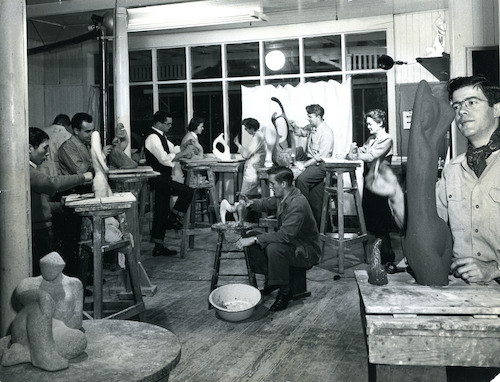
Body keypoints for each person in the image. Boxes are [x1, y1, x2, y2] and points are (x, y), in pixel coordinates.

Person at [366, 76, 500, 284]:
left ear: (497, 109)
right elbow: (423, 224)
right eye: (457, 105)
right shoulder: (452, 170)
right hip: (457, 285)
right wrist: (395, 194)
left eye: (472, 102)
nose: (462, 111)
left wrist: (494, 269)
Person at [236, 167, 321, 311]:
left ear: (283, 184)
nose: (270, 187)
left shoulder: (297, 203)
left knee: (273, 247)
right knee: (252, 236)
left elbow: (284, 235)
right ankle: (273, 280)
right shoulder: (284, 196)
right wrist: (251, 203)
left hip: (306, 251)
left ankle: (285, 292)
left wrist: (256, 238)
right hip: (294, 244)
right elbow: (266, 203)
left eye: (272, 184)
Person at [29, 127, 92, 276]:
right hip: (39, 232)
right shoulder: (28, 171)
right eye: (44, 148)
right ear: (30, 148)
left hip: (42, 228)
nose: (47, 154)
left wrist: (58, 206)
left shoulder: (32, 169)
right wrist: (82, 178)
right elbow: (51, 183)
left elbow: (35, 204)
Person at [144, 111, 195, 257]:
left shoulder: (162, 137)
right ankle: (173, 220)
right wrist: (183, 153)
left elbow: (174, 149)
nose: (170, 126)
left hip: (163, 177)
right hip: (158, 178)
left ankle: (158, 247)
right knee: (187, 191)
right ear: (159, 123)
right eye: (168, 124)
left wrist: (185, 148)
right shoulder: (153, 137)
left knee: (161, 210)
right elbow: (165, 159)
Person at [347, 109, 395, 264]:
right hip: (370, 181)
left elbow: (371, 156)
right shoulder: (371, 138)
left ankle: (388, 256)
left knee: (381, 218)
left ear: (380, 123)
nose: (368, 126)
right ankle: (375, 255)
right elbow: (363, 150)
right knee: (370, 216)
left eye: (370, 123)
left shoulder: (386, 139)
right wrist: (355, 150)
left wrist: (357, 154)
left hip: (380, 183)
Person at [290, 104, 334, 226]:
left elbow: (320, 156)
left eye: (310, 116)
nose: (308, 119)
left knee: (301, 180)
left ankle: (301, 211)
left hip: (322, 165)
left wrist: (303, 165)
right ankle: (318, 228)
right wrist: (294, 126)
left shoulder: (326, 132)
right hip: (312, 163)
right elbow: (301, 132)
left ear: (318, 117)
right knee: (316, 199)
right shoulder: (312, 127)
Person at [233, 117, 266, 198]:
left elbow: (246, 154)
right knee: (251, 194)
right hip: (254, 168)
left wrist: (238, 144)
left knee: (246, 195)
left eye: (246, 128)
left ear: (251, 128)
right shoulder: (258, 136)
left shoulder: (257, 137)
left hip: (253, 170)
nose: (245, 130)